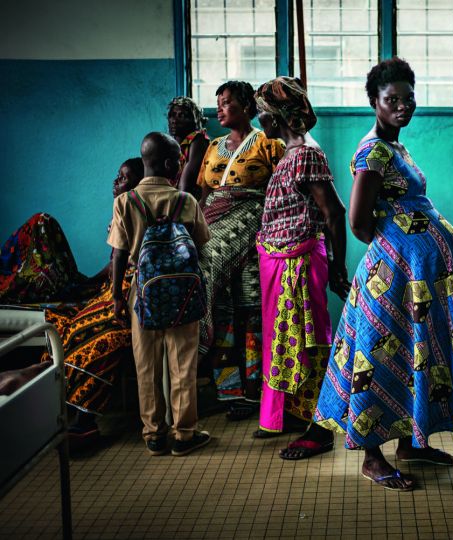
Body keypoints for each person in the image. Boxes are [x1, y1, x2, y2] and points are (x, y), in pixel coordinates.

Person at [313, 58, 453, 491]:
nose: (402, 106)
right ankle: (372, 457)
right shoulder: (372, 151)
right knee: (376, 357)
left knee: (416, 352)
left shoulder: (396, 148)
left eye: (408, 99)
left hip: (416, 278)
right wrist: (402, 249)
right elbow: (357, 222)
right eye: (392, 99)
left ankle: (412, 442)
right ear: (374, 102)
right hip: (392, 278)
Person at [252, 77, 351, 459]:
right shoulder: (289, 153)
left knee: (309, 343)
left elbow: (334, 213)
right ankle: (297, 411)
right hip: (281, 261)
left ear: (278, 117)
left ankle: (320, 429)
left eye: (264, 115)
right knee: (288, 343)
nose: (262, 122)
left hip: (300, 262)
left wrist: (338, 270)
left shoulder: (307, 154)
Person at [109, 132, 211, 456]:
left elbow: (118, 255)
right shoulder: (186, 202)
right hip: (182, 292)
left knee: (146, 364)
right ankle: (184, 434)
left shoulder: (125, 202)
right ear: (171, 164)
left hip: (144, 294)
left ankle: (153, 433)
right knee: (183, 365)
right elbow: (201, 248)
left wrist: (115, 296)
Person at [196, 81, 285, 421]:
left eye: (227, 102)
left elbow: (281, 190)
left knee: (251, 312)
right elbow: (204, 195)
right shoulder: (215, 146)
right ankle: (229, 391)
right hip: (215, 229)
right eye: (218, 103)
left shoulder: (267, 143)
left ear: (248, 107)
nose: (219, 109)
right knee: (221, 310)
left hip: (253, 231)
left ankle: (255, 391)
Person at [44, 158, 145, 439]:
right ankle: (64, 409)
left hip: (129, 294)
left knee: (102, 338)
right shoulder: (119, 212)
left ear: (138, 183)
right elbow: (114, 261)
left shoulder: (139, 210)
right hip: (112, 291)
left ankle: (85, 417)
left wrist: (112, 293)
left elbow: (125, 264)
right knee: (67, 327)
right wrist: (88, 283)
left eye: (123, 178)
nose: (116, 182)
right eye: (117, 176)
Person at [166, 96, 209, 193]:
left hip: (188, 198)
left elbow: (186, 185)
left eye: (181, 115)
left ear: (195, 120)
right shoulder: (172, 144)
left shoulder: (198, 139)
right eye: (172, 115)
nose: (174, 120)